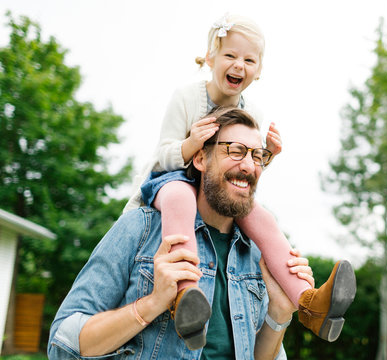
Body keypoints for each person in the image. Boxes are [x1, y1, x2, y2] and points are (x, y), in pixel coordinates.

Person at [124, 14, 356, 348]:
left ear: (258, 71)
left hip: (215, 190)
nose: (239, 65)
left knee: (262, 216)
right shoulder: (187, 97)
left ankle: (310, 303)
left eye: (249, 59)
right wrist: (191, 145)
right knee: (181, 197)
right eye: (230, 56)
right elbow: (162, 155)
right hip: (173, 179)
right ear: (210, 58)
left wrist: (268, 155)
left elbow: (239, 171)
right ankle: (186, 295)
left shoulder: (253, 113)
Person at [48, 108, 319, 359]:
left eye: (257, 155)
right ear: (200, 158)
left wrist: (279, 313)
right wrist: (152, 303)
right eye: (236, 151)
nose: (249, 166)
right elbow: (63, 342)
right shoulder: (140, 229)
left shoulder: (257, 254)